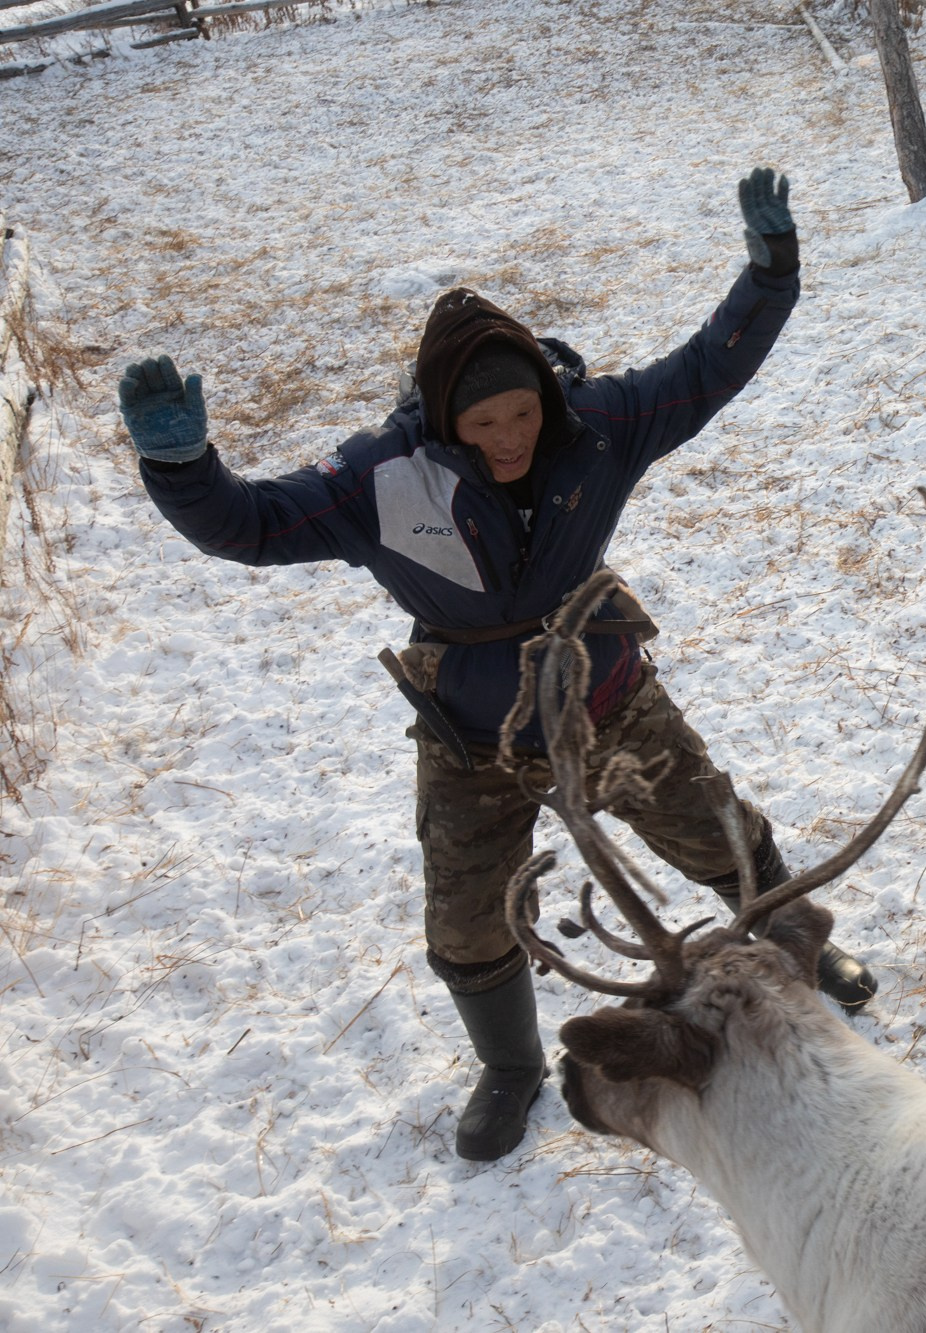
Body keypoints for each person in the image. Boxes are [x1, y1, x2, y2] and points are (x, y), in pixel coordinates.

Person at [120, 168, 879, 1162]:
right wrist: (184, 469)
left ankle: (797, 947)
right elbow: (251, 524)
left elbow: (706, 368)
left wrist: (769, 272)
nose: (509, 437)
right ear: (445, 420)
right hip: (472, 738)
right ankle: (512, 1065)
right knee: (468, 917)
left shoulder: (595, 429)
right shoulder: (381, 481)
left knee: (720, 831)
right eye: (483, 426)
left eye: (520, 414)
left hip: (605, 698)